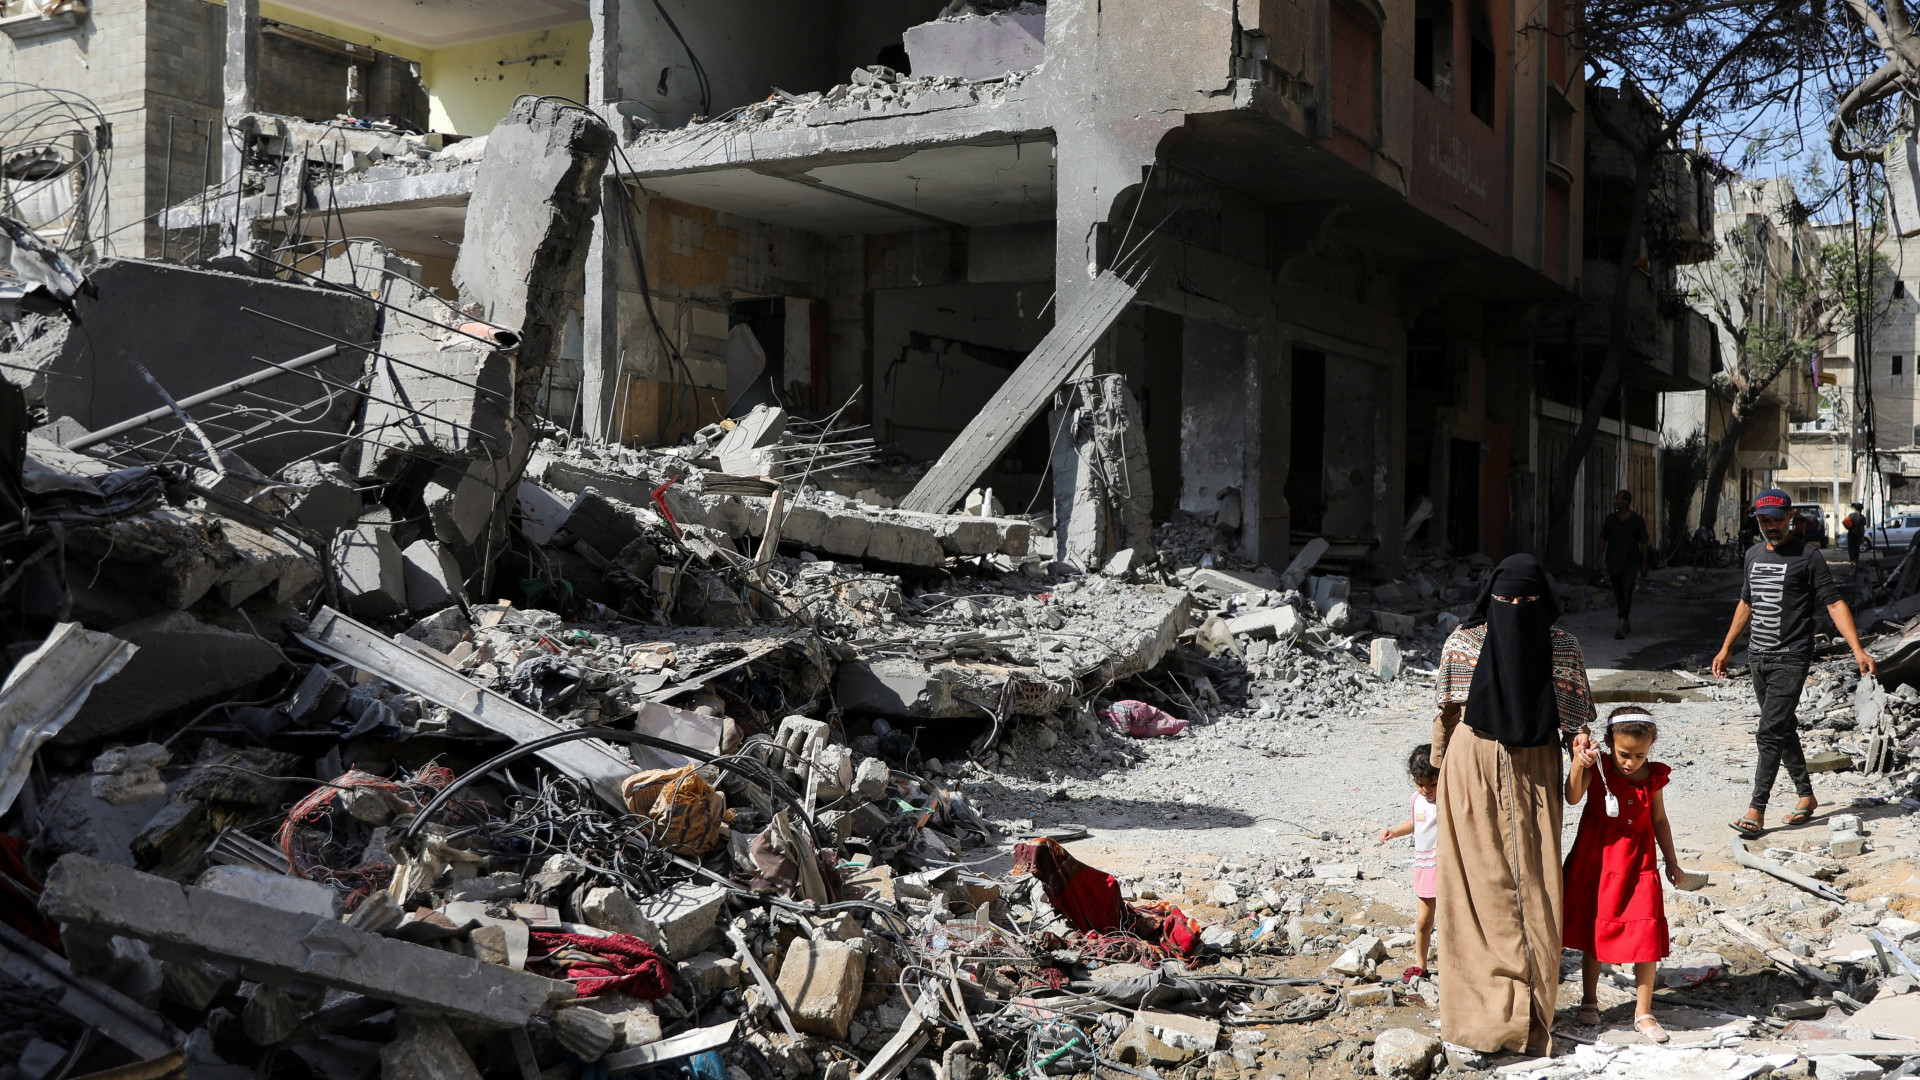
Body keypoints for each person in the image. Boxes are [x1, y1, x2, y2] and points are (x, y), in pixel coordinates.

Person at [1432, 553, 1597, 1057]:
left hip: (1535, 772)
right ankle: (1480, 1019)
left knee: (1536, 887)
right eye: (1505, 600)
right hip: (1472, 771)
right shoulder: (1463, 643)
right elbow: (1446, 715)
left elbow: (1576, 726)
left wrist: (1580, 752)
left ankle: (1531, 1017)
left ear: (1543, 601)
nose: (1516, 609)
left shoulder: (1562, 647)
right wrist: (1436, 779)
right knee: (1476, 889)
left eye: (1527, 601)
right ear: (1490, 599)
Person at [1712, 489, 1877, 835]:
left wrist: (1857, 649)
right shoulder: (1753, 555)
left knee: (1769, 731)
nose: (1770, 526)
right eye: (1763, 520)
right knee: (1782, 727)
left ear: (1790, 516)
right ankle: (1806, 796)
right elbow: (1746, 603)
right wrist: (1726, 648)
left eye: (1775, 519)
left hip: (1792, 656)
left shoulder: (1808, 556)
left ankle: (1756, 810)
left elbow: (1834, 603)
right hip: (1758, 656)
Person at [1563, 706, 1686, 1045]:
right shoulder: (1599, 767)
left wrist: (1671, 861)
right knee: (1596, 929)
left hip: (1639, 864)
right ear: (1608, 743)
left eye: (1639, 755)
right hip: (1599, 860)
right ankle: (1589, 1000)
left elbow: (1659, 819)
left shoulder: (1653, 777)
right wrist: (1579, 762)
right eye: (1623, 754)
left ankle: (1643, 1012)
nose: (1630, 762)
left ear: (1650, 748)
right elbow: (1572, 796)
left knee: (1647, 932)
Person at [1376, 743, 1440, 982]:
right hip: (1426, 866)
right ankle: (1421, 963)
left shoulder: (1450, 799)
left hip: (1447, 867)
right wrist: (1394, 832)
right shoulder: (1417, 799)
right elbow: (1415, 823)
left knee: (1452, 920)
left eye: (1432, 784)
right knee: (1423, 920)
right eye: (1420, 784)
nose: (1426, 790)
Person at [1597, 489, 1650, 640]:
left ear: (1625, 502)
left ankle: (1621, 625)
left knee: (1627, 592)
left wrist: (1644, 564)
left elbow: (1644, 543)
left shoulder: (1637, 521)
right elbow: (1603, 538)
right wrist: (1599, 555)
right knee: (1619, 593)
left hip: (1630, 564)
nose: (1615, 501)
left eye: (1617, 499)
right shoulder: (1611, 519)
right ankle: (1625, 619)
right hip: (1614, 562)